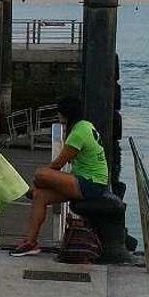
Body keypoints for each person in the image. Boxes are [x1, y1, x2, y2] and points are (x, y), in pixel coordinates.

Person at [11, 96, 110, 257]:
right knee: (39, 196)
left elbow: (58, 164)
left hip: (90, 183)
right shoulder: (86, 125)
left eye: (59, 112)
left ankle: (33, 188)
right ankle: (30, 242)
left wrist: (38, 180)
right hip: (84, 180)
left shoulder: (78, 133)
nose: (58, 115)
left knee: (40, 174)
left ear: (66, 113)